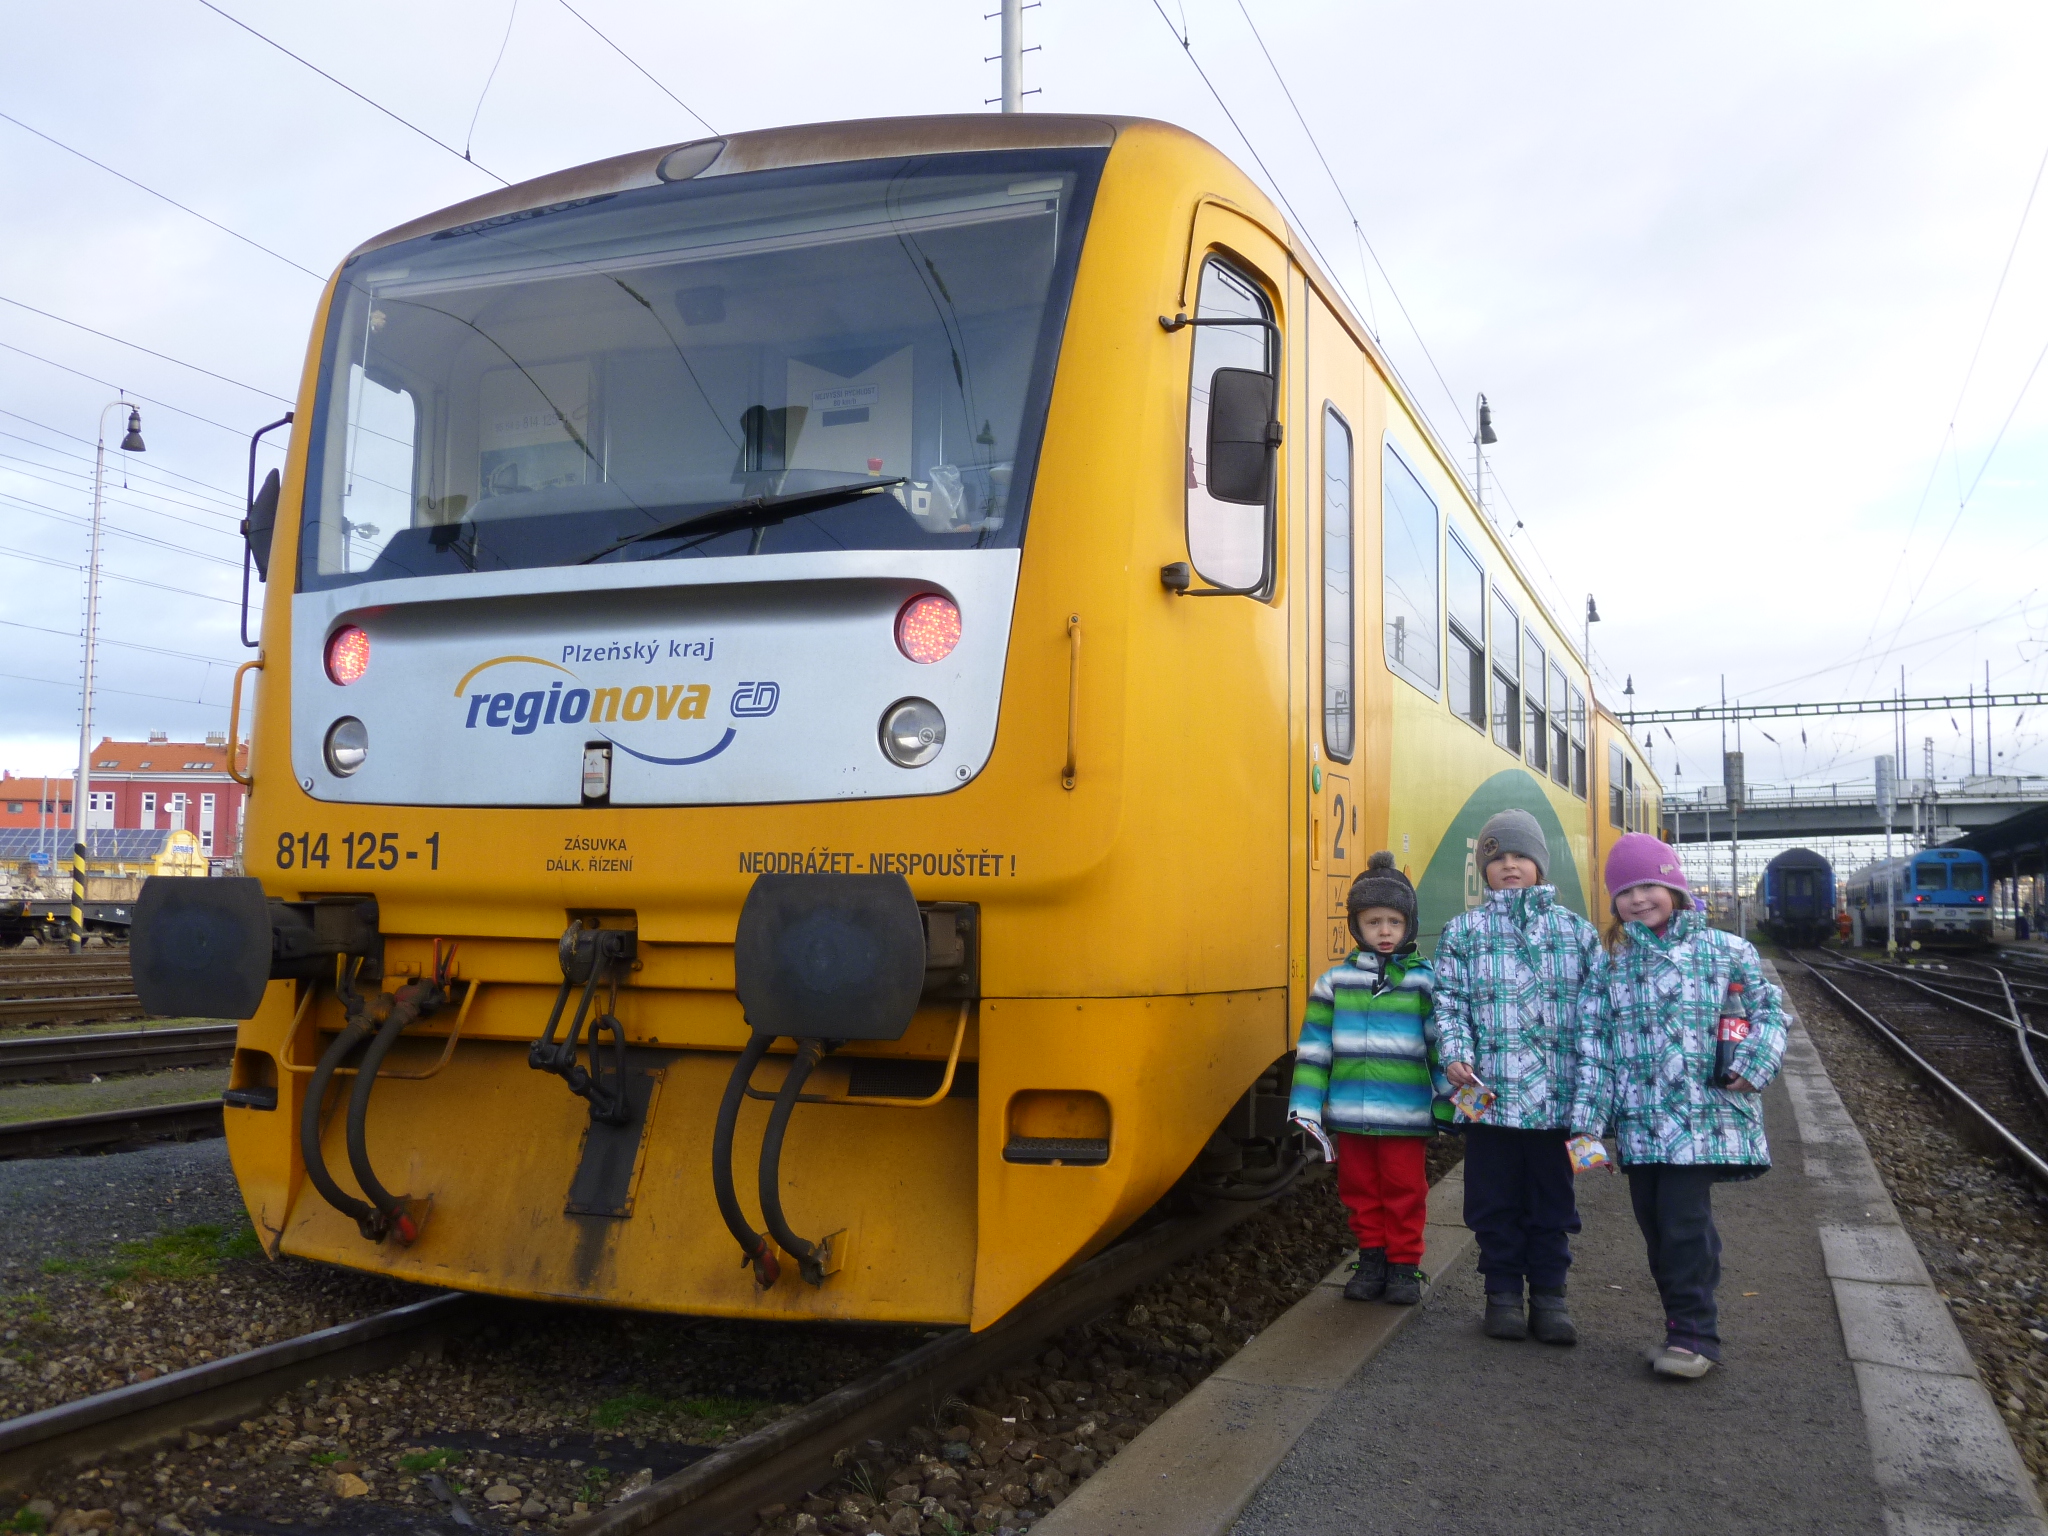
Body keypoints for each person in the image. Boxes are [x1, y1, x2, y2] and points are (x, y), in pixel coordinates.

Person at [1570, 832, 1786, 1379]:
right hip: (1641, 1124)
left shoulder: (1728, 951)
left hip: (1704, 1118)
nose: (1638, 899)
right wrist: (1586, 1126)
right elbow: (1595, 1047)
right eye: (1625, 892)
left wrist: (1754, 1065)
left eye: (1649, 886)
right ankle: (1679, 1329)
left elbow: (1769, 1016)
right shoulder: (1611, 965)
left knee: (1684, 1224)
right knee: (1656, 1228)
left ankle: (1695, 1337)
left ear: (1676, 890)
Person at [1433, 809, 1602, 1345]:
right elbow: (1449, 1002)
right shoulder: (1464, 932)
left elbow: (1596, 1015)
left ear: (1540, 865)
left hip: (1556, 1101)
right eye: (1497, 857)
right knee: (1492, 1201)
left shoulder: (1577, 933)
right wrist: (1456, 1053)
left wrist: (1591, 1096)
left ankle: (1551, 1297)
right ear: (1483, 869)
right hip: (1490, 1098)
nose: (1509, 866)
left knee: (1552, 1204)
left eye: (1520, 856)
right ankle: (1502, 1294)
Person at [1289, 851, 1452, 1306]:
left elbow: (1441, 1048)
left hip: (1405, 1115)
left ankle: (1404, 1264)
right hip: (1351, 1113)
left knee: (1405, 1190)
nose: (1384, 931)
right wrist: (1307, 1106)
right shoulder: (1334, 984)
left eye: (1394, 922)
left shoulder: (1423, 983)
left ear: (1409, 925)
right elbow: (1315, 1049)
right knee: (1359, 1189)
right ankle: (1372, 1258)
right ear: (1356, 926)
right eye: (1373, 921)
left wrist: (1449, 1101)